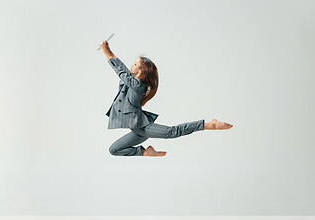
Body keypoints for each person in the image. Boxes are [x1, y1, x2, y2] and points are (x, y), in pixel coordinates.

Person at [99, 40, 233, 157]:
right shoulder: (131, 81)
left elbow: (122, 72)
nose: (131, 65)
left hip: (142, 126)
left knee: (172, 132)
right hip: (137, 130)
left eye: (135, 64)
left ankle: (208, 125)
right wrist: (110, 52)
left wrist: (107, 52)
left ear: (141, 71)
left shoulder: (138, 84)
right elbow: (123, 72)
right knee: (114, 150)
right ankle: (145, 152)